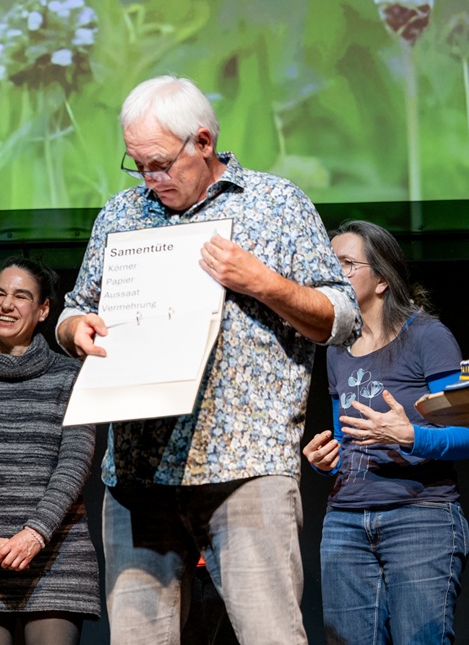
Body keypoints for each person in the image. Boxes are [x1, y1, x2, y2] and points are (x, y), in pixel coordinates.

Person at [57, 75, 359, 644]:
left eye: (159, 163)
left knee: (270, 635)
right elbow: (73, 309)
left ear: (202, 141)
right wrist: (77, 330)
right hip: (139, 475)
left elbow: (342, 317)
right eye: (137, 164)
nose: (149, 178)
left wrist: (264, 282)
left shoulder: (277, 203)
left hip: (245, 466)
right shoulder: (122, 214)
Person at [302, 219, 468, 644]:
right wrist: (326, 461)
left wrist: (410, 435)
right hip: (345, 521)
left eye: (346, 264)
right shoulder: (336, 350)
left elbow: (467, 434)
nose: (333, 275)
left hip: (420, 516)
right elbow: (347, 439)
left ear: (381, 280)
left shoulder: (428, 337)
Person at [0, 256, 99, 645]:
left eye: (21, 296)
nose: (6, 304)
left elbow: (74, 463)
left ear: (44, 310)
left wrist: (34, 534)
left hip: (56, 555)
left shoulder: (72, 375)